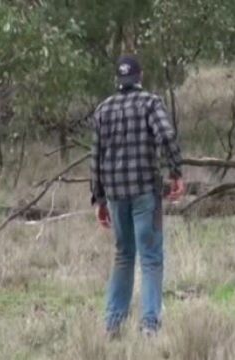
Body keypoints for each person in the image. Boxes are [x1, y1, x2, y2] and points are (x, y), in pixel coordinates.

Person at [90, 54, 185, 338]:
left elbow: (95, 157)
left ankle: (113, 322)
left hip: (116, 194)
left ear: (118, 80)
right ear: (140, 77)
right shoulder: (150, 103)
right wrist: (176, 171)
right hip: (145, 190)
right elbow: (166, 136)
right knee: (151, 257)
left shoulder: (103, 110)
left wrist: (99, 199)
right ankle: (149, 324)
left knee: (123, 256)